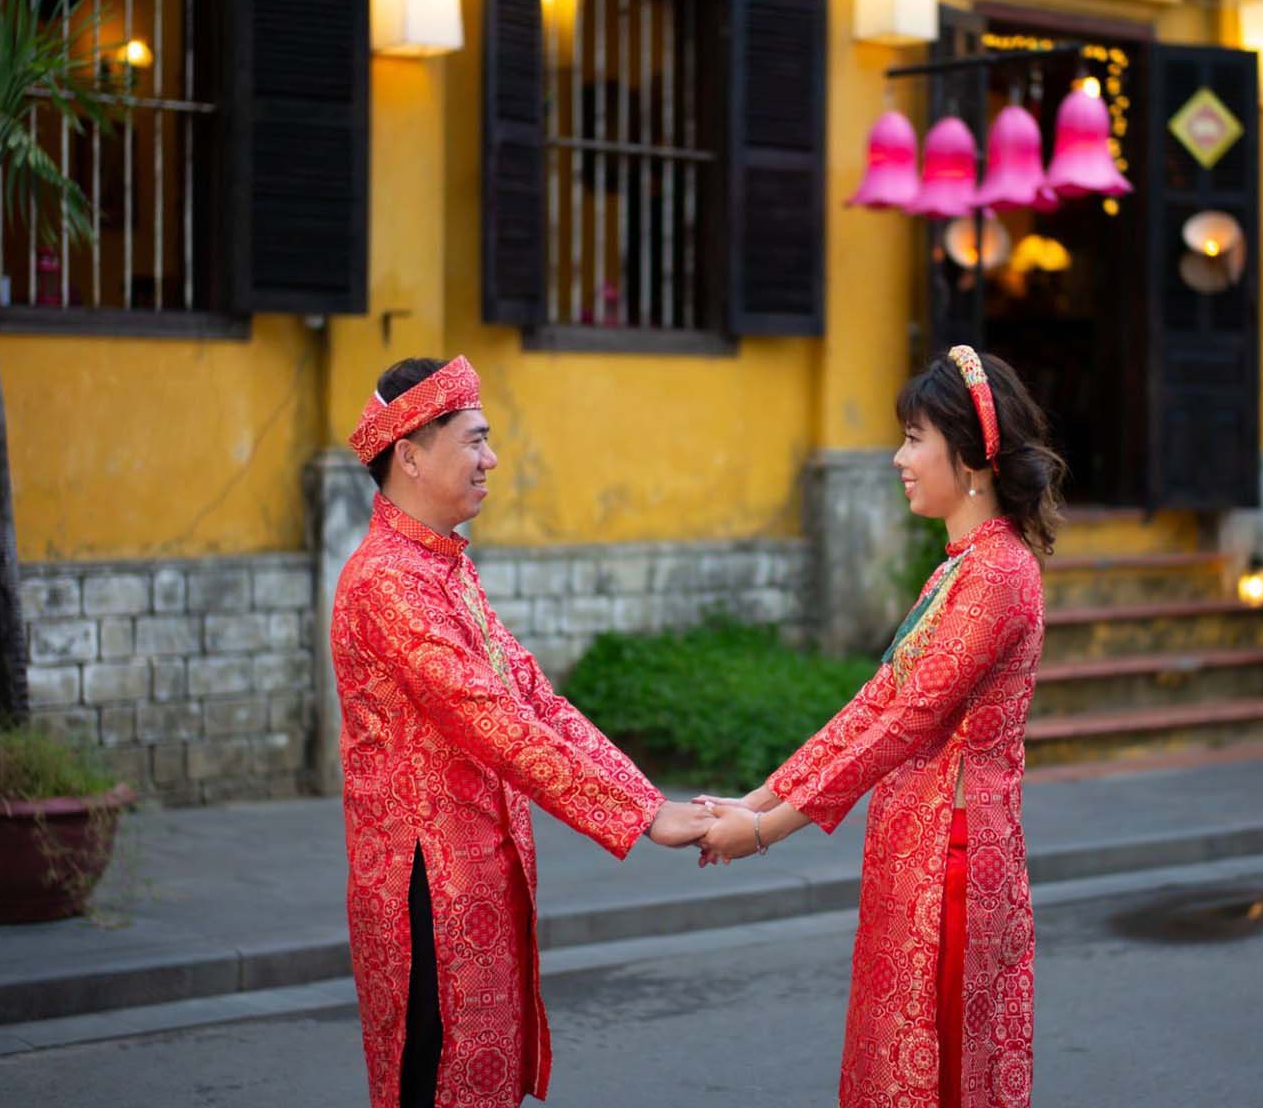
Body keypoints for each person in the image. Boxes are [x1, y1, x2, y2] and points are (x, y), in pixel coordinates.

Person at [331, 355, 713, 1108]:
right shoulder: (387, 582)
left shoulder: (441, 569)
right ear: (409, 453)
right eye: (474, 440)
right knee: (438, 1081)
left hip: (476, 869)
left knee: (483, 1077)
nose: (490, 459)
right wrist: (641, 816)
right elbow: (492, 718)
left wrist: (644, 799)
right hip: (427, 883)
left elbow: (534, 697)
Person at [698, 346, 1065, 1108]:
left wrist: (767, 831)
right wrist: (755, 800)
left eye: (913, 438)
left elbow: (905, 723)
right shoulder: (960, 568)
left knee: (940, 1075)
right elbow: (873, 706)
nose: (898, 458)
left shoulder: (997, 575)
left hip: (954, 862)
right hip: (920, 850)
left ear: (968, 454)